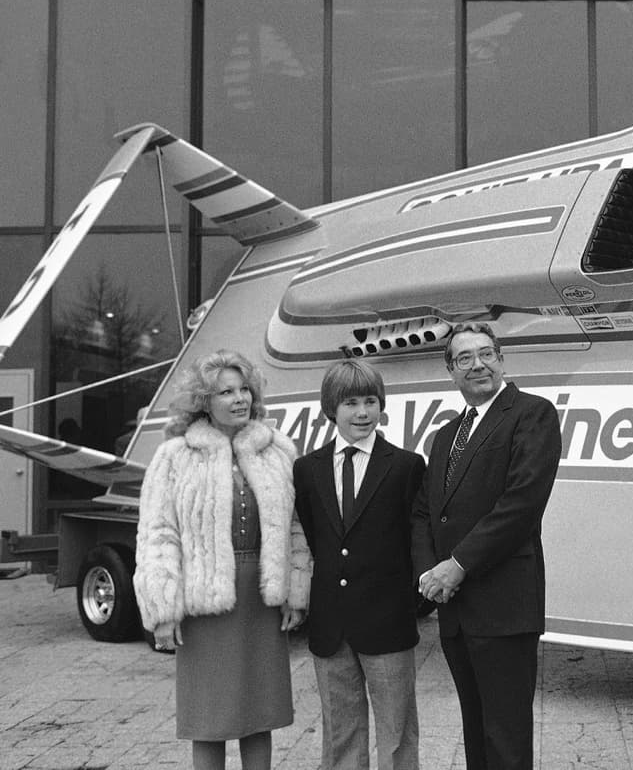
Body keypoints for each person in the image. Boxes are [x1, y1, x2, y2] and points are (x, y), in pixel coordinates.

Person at [133, 349, 311, 770]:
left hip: (262, 598)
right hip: (203, 601)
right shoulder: (175, 456)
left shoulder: (278, 451)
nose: (239, 398)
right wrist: (163, 607)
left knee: (260, 711)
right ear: (203, 401)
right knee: (206, 716)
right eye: (225, 391)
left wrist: (295, 591)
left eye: (244, 388)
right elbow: (159, 534)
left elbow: (297, 528)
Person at [412, 322, 561, 770]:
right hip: (456, 612)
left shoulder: (532, 414)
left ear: (501, 359)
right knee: (475, 732)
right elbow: (425, 512)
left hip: (504, 609)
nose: (477, 364)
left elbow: (521, 503)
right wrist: (428, 575)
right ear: (450, 371)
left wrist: (456, 566)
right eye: (464, 358)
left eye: (485, 353)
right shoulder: (445, 436)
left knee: (507, 738)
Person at [293, 359, 426, 770]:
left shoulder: (405, 466)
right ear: (331, 408)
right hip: (331, 624)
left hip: (388, 622)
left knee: (397, 733)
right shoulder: (308, 469)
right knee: (341, 734)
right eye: (351, 403)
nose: (363, 412)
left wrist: (412, 602)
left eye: (371, 401)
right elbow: (317, 538)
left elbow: (416, 539)